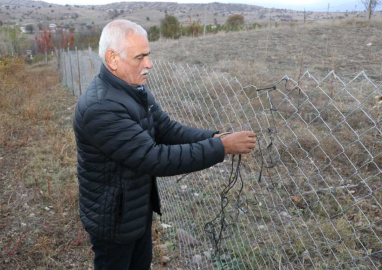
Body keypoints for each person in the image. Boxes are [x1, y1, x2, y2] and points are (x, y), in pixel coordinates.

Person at [73, 19, 256, 270]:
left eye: (148, 55)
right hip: (112, 219)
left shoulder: (134, 90)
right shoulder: (101, 107)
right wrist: (222, 147)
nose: (149, 64)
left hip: (134, 208)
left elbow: (167, 130)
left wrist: (213, 138)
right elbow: (154, 158)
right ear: (113, 59)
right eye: (140, 57)